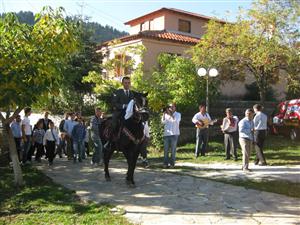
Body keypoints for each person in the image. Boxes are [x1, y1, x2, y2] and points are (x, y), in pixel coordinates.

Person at [161, 103, 181, 168]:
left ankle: (172, 164)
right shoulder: (166, 114)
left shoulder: (178, 114)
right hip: (166, 134)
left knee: (173, 150)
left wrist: (170, 114)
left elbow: (176, 121)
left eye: (172, 107)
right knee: (166, 150)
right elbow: (162, 122)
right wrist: (164, 114)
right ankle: (165, 164)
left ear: (175, 107)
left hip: (174, 134)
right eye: (170, 107)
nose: (171, 108)